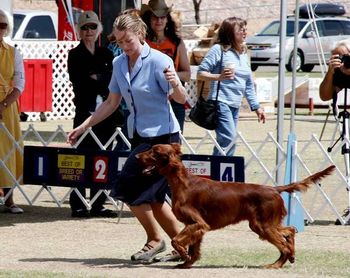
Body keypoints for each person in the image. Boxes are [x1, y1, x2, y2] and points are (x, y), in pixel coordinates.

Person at [67, 13, 186, 263]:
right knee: (150, 197)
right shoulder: (119, 63)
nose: (124, 46)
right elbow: (111, 103)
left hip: (164, 137)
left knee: (126, 187)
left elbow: (181, 100)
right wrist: (83, 126)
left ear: (140, 35)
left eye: (127, 40)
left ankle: (156, 240)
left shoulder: (159, 60)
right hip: (139, 135)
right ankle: (182, 242)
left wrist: (176, 84)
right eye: (119, 41)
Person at [67, 10, 123, 218]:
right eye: (84, 27)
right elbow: (79, 81)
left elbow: (111, 80)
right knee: (81, 157)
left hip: (105, 114)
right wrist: (100, 78)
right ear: (79, 31)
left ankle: (99, 203)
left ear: (98, 29)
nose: (88, 31)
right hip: (83, 112)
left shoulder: (106, 54)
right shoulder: (74, 54)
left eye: (92, 27)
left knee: (103, 157)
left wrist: (96, 77)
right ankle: (78, 204)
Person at [197, 17, 265, 156]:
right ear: (229, 32)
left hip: (235, 104)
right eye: (240, 29)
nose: (244, 32)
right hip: (220, 102)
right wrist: (219, 77)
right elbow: (200, 73)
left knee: (226, 142)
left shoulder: (244, 53)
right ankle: (220, 172)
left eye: (245, 29)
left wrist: (256, 106)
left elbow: (248, 83)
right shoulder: (218, 50)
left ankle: (220, 172)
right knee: (229, 139)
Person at [141, 0, 190, 132]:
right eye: (155, 17)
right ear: (148, 19)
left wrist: (169, 75)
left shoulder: (177, 43)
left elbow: (187, 74)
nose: (159, 21)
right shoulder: (142, 43)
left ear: (167, 20)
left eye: (162, 17)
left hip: (174, 99)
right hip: (149, 101)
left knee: (174, 146)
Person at [319, 39, 350, 225]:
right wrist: (330, 72)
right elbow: (324, 95)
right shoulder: (335, 73)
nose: (341, 60)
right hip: (344, 123)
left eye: (344, 56)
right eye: (337, 56)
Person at [0, 9, 25, 213]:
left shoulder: (14, 52)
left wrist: (4, 104)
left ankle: (9, 199)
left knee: (8, 150)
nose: (0, 29)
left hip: (7, 108)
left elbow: (19, 84)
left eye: (3, 25)